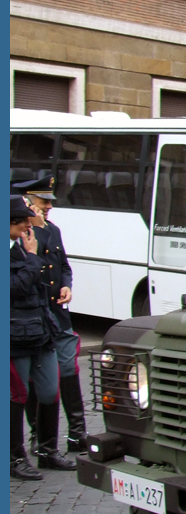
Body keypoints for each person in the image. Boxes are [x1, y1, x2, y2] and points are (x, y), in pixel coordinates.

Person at [10, 177, 89, 456]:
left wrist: (67, 284)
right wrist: (37, 231)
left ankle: (77, 433)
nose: (49, 207)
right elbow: (30, 271)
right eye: (44, 202)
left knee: (67, 369)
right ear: (28, 203)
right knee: (33, 379)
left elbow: (63, 265)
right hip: (32, 320)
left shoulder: (52, 230)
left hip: (57, 315)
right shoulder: (27, 234)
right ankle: (37, 437)